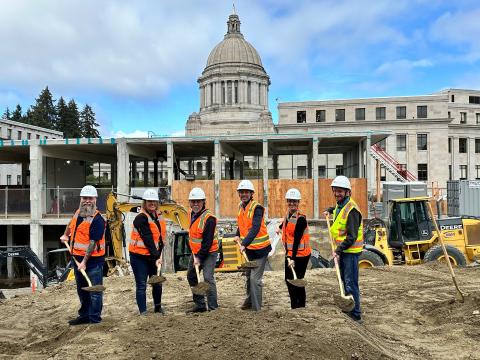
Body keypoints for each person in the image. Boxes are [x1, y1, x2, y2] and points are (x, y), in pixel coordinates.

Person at [60, 185, 106, 325]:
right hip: (77, 257)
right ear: (81, 199)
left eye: (90, 198)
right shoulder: (78, 212)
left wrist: (84, 262)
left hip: (93, 261)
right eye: (85, 198)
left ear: (95, 199)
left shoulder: (98, 220)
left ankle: (94, 319)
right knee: (82, 289)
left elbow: (92, 243)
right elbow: (71, 224)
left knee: (94, 290)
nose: (87, 201)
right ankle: (84, 316)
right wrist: (66, 234)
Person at [323, 176, 363, 323]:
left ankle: (355, 314)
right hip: (344, 251)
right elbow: (337, 209)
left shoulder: (352, 210)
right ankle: (348, 308)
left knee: (350, 283)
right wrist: (329, 210)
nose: (337, 194)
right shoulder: (341, 205)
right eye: (335, 191)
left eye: (340, 191)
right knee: (345, 282)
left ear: (347, 192)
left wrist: (338, 250)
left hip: (350, 252)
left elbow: (351, 237)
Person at [235, 179, 271, 311]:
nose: (243, 194)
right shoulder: (241, 207)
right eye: (241, 192)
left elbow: (255, 228)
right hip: (249, 250)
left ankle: (257, 309)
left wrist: (243, 244)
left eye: (246, 192)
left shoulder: (258, 208)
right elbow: (242, 224)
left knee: (255, 280)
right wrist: (237, 234)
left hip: (260, 250)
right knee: (249, 277)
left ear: (251, 194)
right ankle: (249, 301)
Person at [129, 189, 166, 315]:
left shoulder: (158, 215)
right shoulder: (140, 218)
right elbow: (148, 239)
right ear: (144, 202)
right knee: (141, 285)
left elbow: (160, 237)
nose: (152, 203)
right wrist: (157, 256)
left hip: (153, 255)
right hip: (139, 256)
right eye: (149, 201)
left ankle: (158, 307)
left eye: (154, 201)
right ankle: (143, 312)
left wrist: (159, 253)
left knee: (157, 282)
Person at [186, 187, 219, 313]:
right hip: (196, 252)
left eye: (198, 201)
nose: (195, 204)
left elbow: (207, 243)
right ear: (190, 202)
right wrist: (196, 255)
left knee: (208, 278)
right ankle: (200, 305)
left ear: (203, 202)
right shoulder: (191, 215)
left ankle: (213, 307)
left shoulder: (209, 218)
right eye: (193, 201)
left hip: (209, 252)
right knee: (192, 276)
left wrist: (199, 258)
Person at [277, 188, 311, 309]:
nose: (292, 203)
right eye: (290, 201)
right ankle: (294, 305)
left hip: (301, 255)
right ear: (287, 201)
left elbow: (297, 240)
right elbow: (285, 223)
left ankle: (300, 306)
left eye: (294, 201)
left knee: (298, 281)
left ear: (298, 202)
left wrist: (292, 258)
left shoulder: (301, 219)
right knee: (288, 280)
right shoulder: (288, 215)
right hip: (290, 253)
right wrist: (280, 227)